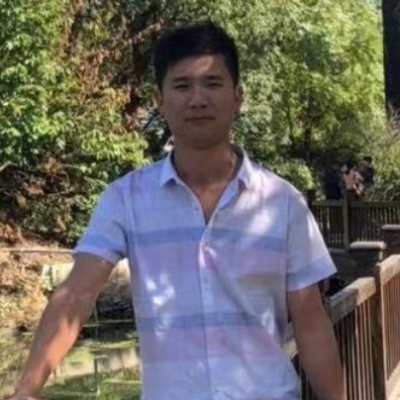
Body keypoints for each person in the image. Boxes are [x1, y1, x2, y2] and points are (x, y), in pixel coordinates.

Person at [8, 22, 345, 400]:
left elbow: (311, 323)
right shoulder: (126, 199)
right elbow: (77, 294)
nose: (197, 99)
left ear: (238, 97)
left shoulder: (282, 203)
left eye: (212, 84)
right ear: (159, 99)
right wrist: (27, 389)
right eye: (182, 86)